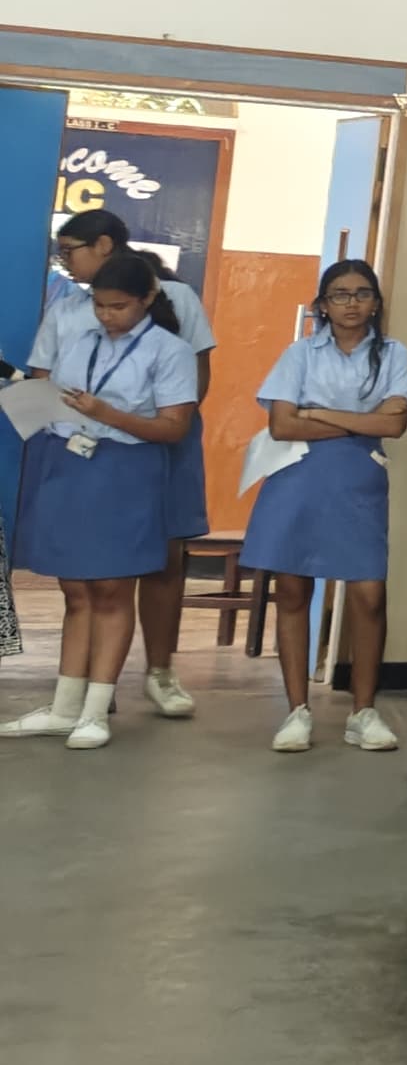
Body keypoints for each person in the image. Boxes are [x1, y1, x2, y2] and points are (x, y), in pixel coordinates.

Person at [26, 209, 219, 720]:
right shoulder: (71, 312)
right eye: (100, 306)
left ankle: (159, 670)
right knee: (83, 576)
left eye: (70, 250)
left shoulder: (174, 301)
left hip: (148, 448)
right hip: (76, 450)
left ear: (104, 245)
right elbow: (44, 378)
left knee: (155, 559)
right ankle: (86, 691)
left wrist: (146, 423)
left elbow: (192, 382)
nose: (65, 262)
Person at [249, 259, 407, 752]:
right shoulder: (300, 353)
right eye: (340, 295)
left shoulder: (393, 354)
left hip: (358, 480)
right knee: (293, 589)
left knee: (369, 594)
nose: (351, 304)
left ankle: (363, 712)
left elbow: (394, 425)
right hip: (297, 476)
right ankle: (296, 711)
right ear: (323, 304)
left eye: (362, 294)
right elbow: (282, 425)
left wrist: (318, 413)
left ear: (376, 302)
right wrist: (360, 420)